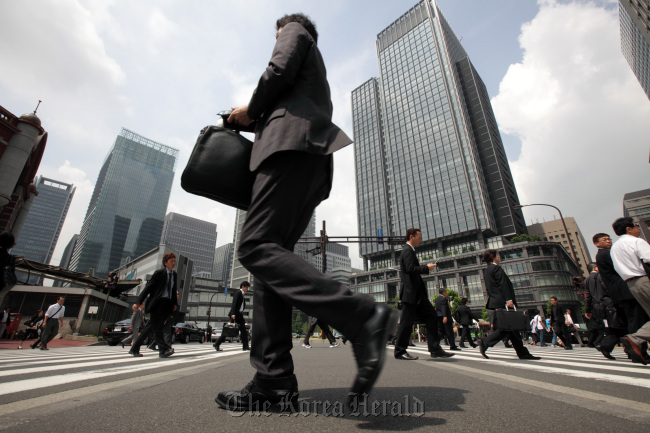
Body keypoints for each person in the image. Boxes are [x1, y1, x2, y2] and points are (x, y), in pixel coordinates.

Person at [217, 13, 397, 412]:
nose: (276, 39)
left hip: (291, 150)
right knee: (268, 269)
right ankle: (273, 381)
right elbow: (288, 92)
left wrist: (250, 109)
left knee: (256, 246)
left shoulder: (294, 32)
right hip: (308, 157)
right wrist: (251, 117)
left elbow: (277, 70)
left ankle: (362, 316)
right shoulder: (312, 81)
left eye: (275, 35)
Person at [394, 228, 453, 361]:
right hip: (411, 294)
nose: (421, 240)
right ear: (411, 237)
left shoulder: (410, 251)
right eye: (419, 237)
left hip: (417, 295)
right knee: (406, 323)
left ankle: (435, 349)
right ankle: (400, 351)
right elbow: (410, 269)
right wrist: (427, 268)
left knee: (432, 317)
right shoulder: (407, 250)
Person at [477, 250, 539, 360]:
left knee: (511, 328)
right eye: (498, 255)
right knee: (508, 327)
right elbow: (503, 284)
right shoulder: (496, 268)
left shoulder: (487, 270)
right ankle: (485, 342)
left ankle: (522, 352)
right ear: (494, 257)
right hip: (503, 302)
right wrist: (509, 299)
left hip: (495, 302)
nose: (499, 257)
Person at [610, 217, 650, 365]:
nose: (638, 228)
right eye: (636, 226)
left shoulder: (615, 247)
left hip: (631, 285)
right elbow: (648, 258)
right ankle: (635, 338)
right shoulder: (636, 241)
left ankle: (635, 339)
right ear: (628, 228)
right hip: (644, 280)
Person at [594, 232, 649, 340]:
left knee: (634, 318)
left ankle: (634, 343)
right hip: (624, 290)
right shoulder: (605, 254)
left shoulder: (604, 254)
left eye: (609, 238)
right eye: (604, 239)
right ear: (596, 244)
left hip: (620, 291)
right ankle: (635, 341)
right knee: (636, 318)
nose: (608, 241)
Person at [129, 252, 178, 358]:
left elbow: (173, 290)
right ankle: (164, 349)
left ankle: (134, 348)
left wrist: (174, 303)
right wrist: (138, 302)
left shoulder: (174, 275)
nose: (174, 263)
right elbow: (148, 288)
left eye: (174, 261)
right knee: (157, 328)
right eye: (171, 262)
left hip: (167, 304)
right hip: (157, 303)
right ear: (165, 263)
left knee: (152, 327)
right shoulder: (159, 273)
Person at [584, 262, 617, 360]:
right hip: (608, 304)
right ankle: (606, 344)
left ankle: (605, 344)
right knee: (616, 325)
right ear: (595, 268)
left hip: (597, 307)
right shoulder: (600, 276)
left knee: (606, 326)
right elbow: (608, 288)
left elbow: (587, 296)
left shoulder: (587, 280)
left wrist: (588, 310)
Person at [214, 281, 250, 352]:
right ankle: (217, 343)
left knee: (243, 330)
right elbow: (234, 303)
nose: (247, 289)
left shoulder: (242, 294)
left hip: (239, 314)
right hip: (235, 314)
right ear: (242, 286)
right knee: (229, 330)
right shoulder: (238, 292)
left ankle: (245, 346)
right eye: (246, 287)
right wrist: (233, 314)